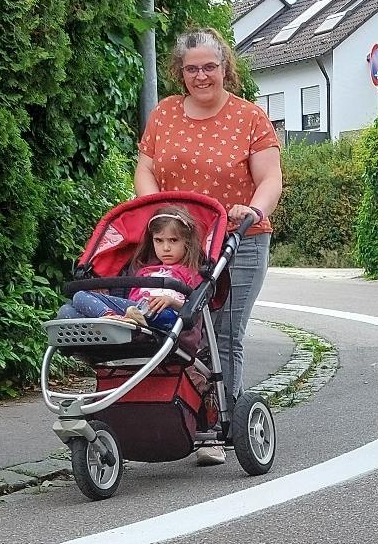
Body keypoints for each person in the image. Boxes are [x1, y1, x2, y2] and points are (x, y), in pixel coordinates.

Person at [137, 28, 281, 463]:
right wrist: (152, 207)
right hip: (180, 241)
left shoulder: (249, 117)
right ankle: (179, 415)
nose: (201, 76)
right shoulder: (164, 114)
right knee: (181, 329)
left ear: (224, 68)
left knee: (224, 333)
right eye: (192, 68)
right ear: (180, 72)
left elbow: (270, 178)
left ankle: (220, 424)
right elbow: (145, 169)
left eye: (209, 67)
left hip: (239, 238)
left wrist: (253, 209)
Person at [59, 204, 207, 336]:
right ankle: (116, 321)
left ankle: (110, 318)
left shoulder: (192, 272)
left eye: (173, 240)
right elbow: (131, 303)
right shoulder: (143, 272)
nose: (166, 248)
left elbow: (196, 309)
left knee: (80, 295)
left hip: (167, 318)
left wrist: (171, 301)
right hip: (136, 314)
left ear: (187, 242)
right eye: (159, 240)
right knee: (66, 311)